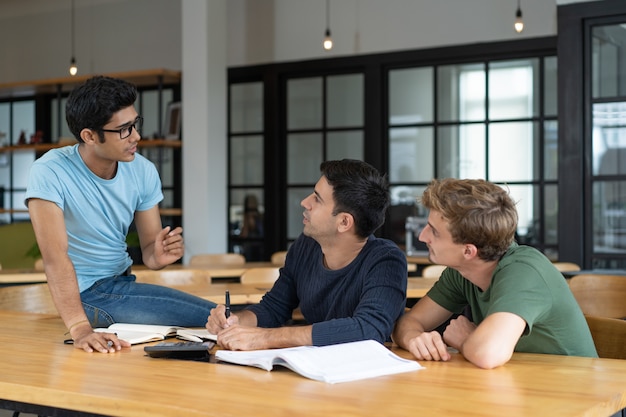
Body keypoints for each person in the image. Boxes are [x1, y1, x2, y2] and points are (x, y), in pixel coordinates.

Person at [25, 76, 216, 354]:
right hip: (86, 296)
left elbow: (150, 252)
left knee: (220, 320)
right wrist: (80, 328)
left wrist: (157, 255)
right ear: (89, 136)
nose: (136, 136)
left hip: (121, 285)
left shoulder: (143, 170)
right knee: (223, 318)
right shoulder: (50, 171)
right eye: (124, 130)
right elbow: (55, 259)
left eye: (135, 124)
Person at [392, 178, 598, 369]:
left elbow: (488, 354)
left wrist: (465, 339)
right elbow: (408, 323)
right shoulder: (461, 272)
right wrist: (414, 338)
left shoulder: (524, 271)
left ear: (468, 251)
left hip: (584, 399)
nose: (422, 236)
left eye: (433, 231)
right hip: (523, 388)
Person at [207, 159, 407, 350]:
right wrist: (236, 322)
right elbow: (274, 308)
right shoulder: (306, 246)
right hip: (315, 369)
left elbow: (368, 329)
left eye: (317, 199)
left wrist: (268, 337)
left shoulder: (386, 260)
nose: (305, 202)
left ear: (344, 222)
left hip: (368, 377)